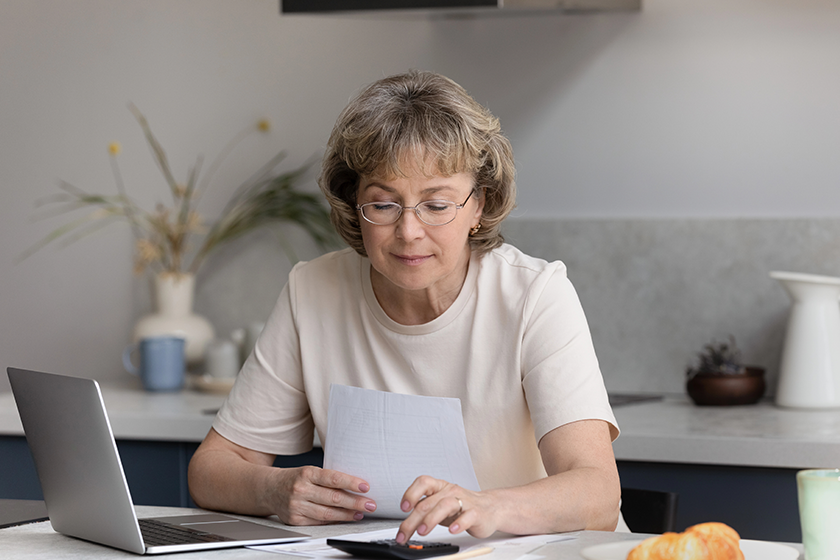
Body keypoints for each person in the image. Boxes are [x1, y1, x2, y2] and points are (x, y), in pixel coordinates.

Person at [188, 70, 622, 541]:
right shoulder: (312, 290)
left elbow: (598, 493)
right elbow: (210, 469)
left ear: (480, 205)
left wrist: (487, 507)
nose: (409, 231)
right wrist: (273, 489)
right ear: (354, 204)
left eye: (436, 205)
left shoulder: (535, 294)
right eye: (383, 204)